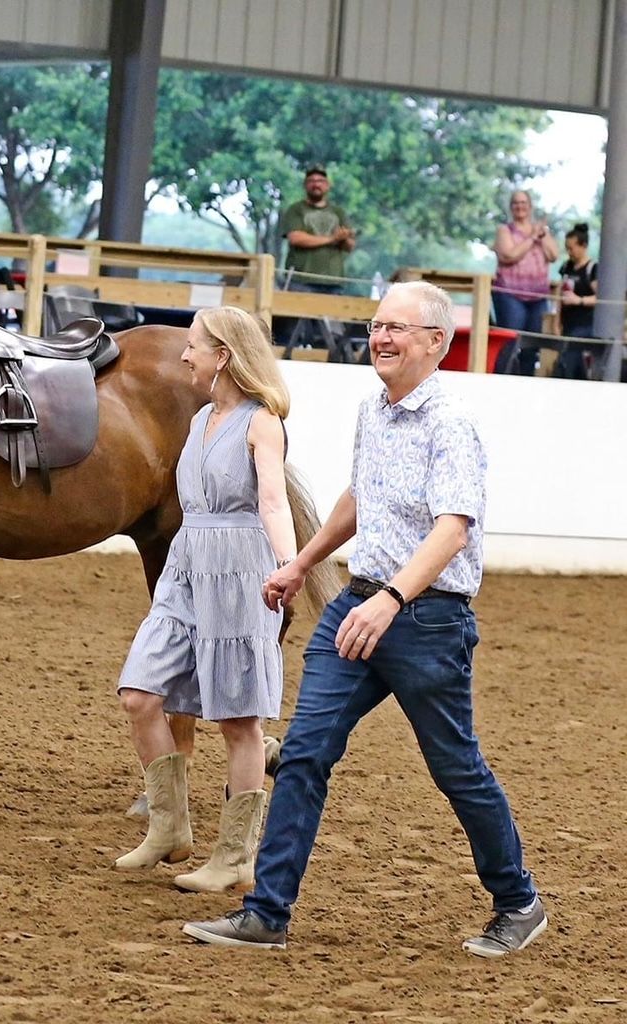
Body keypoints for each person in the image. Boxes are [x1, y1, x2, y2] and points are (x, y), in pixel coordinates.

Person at [183, 282, 545, 958]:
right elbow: (361, 494)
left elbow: (452, 531)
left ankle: (518, 901)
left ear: (435, 342)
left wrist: (392, 600)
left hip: (426, 619)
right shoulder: (373, 411)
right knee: (303, 753)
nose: (381, 338)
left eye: (398, 329)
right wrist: (304, 562)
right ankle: (267, 913)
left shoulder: (450, 421)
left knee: (455, 767)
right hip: (360, 606)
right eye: (378, 326)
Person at [114, 306, 301, 891]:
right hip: (187, 565)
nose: (184, 355)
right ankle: (170, 829)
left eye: (193, 346)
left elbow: (272, 502)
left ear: (223, 355)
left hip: (241, 569)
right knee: (140, 694)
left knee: (239, 720)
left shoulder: (261, 422)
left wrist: (289, 567)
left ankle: (237, 856)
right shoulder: (198, 423)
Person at [276, 166, 356, 348]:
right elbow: (296, 238)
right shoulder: (296, 209)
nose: (316, 185)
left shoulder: (338, 212)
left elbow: (350, 245)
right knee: (297, 330)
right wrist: (332, 239)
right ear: (306, 185)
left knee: (333, 332)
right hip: (302, 279)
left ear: (327, 185)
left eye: (320, 181)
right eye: (311, 181)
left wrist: (343, 239)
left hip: (333, 281)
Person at [491, 190, 558, 375]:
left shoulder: (540, 231)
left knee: (532, 345)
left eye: (523, 202)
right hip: (510, 294)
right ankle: (503, 379)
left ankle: (527, 382)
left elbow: (554, 255)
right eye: (516, 203)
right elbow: (508, 255)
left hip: (538, 296)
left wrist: (541, 235)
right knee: (510, 342)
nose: (520, 206)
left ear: (530, 206)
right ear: (511, 207)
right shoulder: (505, 230)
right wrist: (532, 238)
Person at [554, 222, 599, 380]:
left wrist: (579, 300)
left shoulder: (592, 269)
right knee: (574, 365)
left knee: (566, 363)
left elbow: (599, 298)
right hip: (568, 324)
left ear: (583, 246)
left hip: (585, 325)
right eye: (567, 248)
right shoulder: (566, 266)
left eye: (572, 248)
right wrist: (556, 320)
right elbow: (560, 293)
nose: (569, 252)